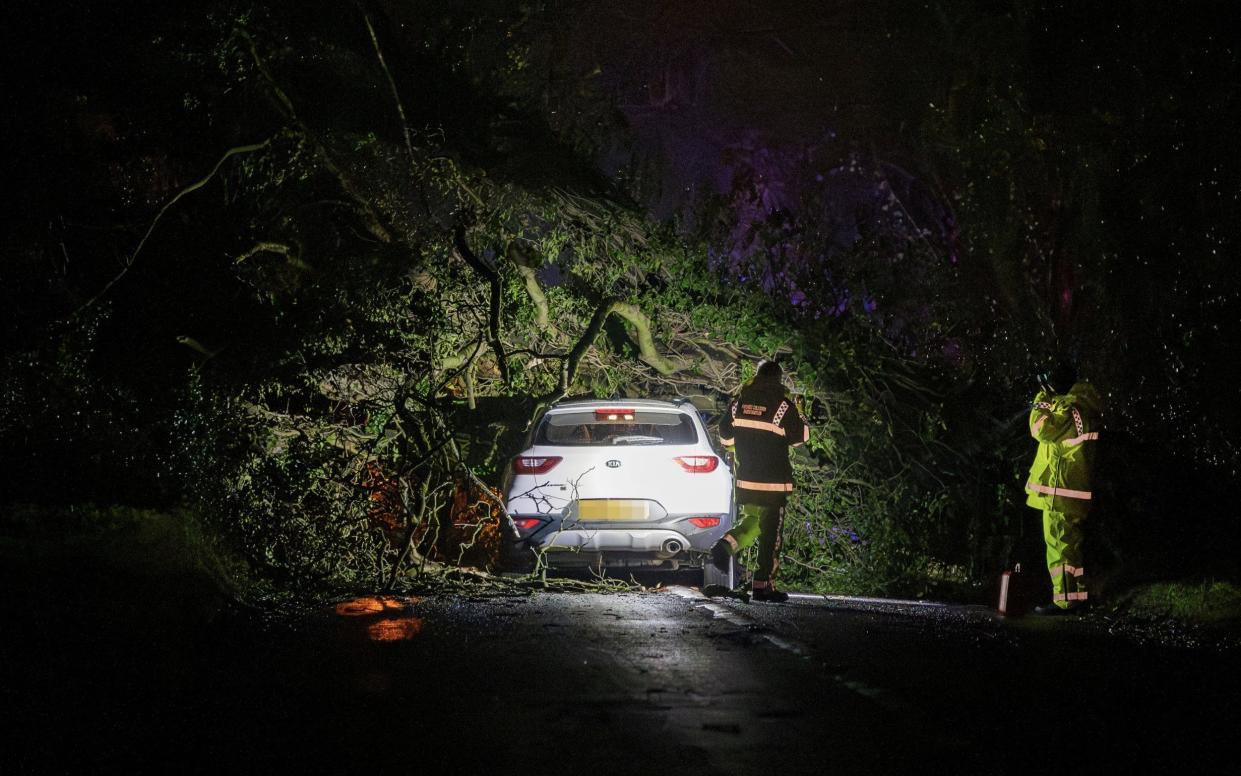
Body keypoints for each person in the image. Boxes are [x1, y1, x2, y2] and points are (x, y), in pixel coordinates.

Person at [711, 359, 809, 602]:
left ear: (756, 377)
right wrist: (803, 415)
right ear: (778, 379)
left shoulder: (739, 403)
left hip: (747, 481)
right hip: (773, 483)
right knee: (770, 536)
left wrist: (738, 445)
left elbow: (724, 435)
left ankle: (724, 546)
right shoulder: (783, 406)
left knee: (753, 521)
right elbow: (799, 439)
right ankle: (763, 586)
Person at [1025, 360, 1102, 615]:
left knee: (1061, 547)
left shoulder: (1070, 408)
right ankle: (1075, 597)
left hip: (1063, 490)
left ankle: (1066, 602)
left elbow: (1041, 429)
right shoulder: (1082, 406)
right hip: (1067, 490)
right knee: (1067, 547)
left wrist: (1040, 399)